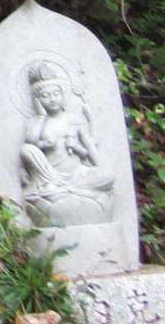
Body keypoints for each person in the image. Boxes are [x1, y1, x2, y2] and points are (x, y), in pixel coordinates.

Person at [18, 61, 114, 226]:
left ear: (63, 95)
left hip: (77, 173)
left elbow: (89, 145)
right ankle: (63, 191)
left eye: (56, 94)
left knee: (108, 177)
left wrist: (92, 160)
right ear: (37, 100)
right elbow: (30, 143)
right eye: (45, 96)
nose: (52, 99)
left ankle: (68, 191)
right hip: (50, 177)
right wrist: (41, 119)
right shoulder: (36, 122)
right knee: (27, 150)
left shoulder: (73, 119)